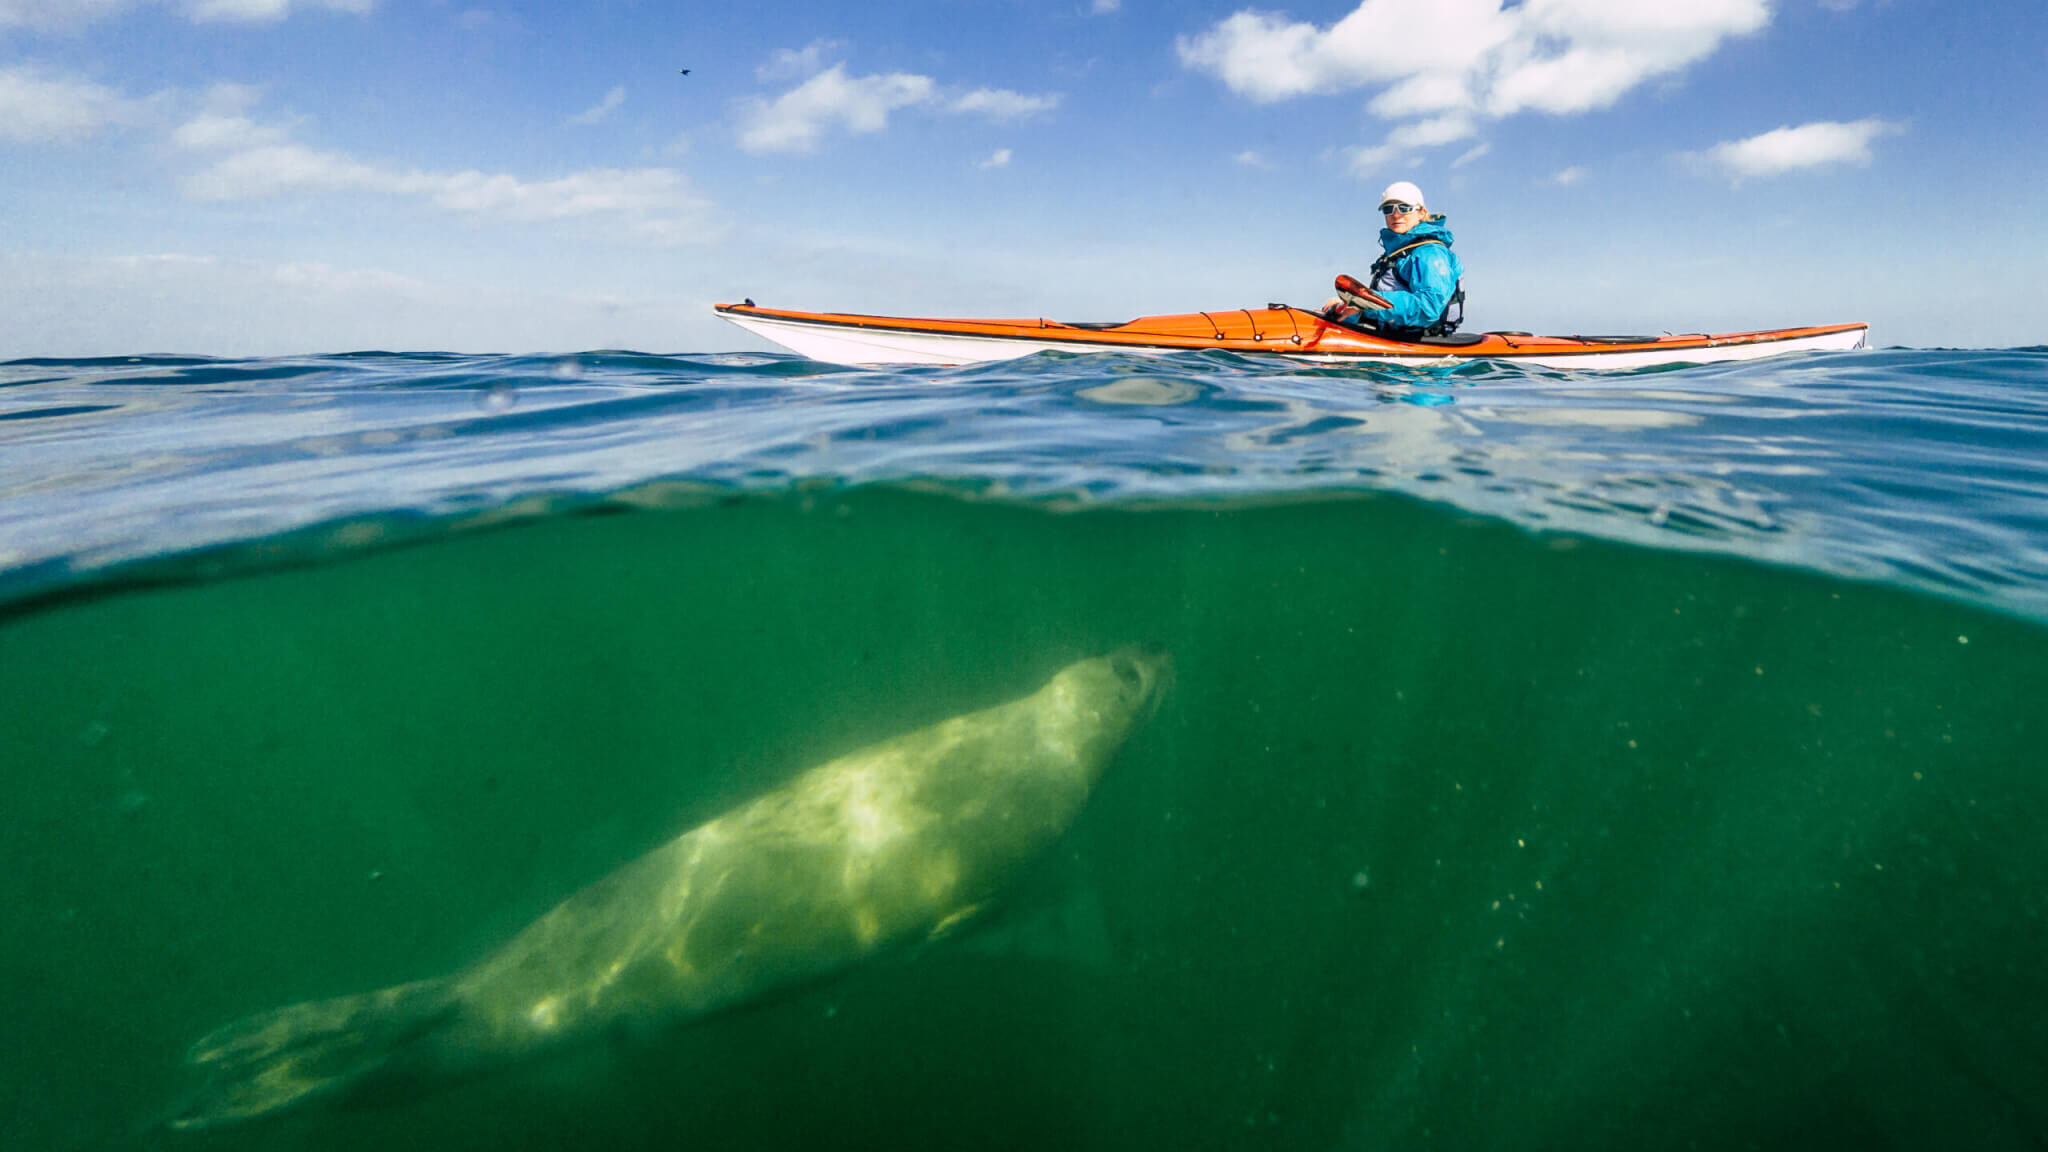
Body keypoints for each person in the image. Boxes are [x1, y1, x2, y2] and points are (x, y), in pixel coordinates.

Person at [1323, 180, 1466, 337]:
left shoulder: (1430, 253)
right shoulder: (1399, 252)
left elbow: (1428, 308)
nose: (1395, 214)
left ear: (1421, 212)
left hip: (1423, 344)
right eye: (1388, 209)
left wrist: (1364, 304)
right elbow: (1382, 313)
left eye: (1404, 208)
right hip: (1393, 336)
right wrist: (1345, 309)